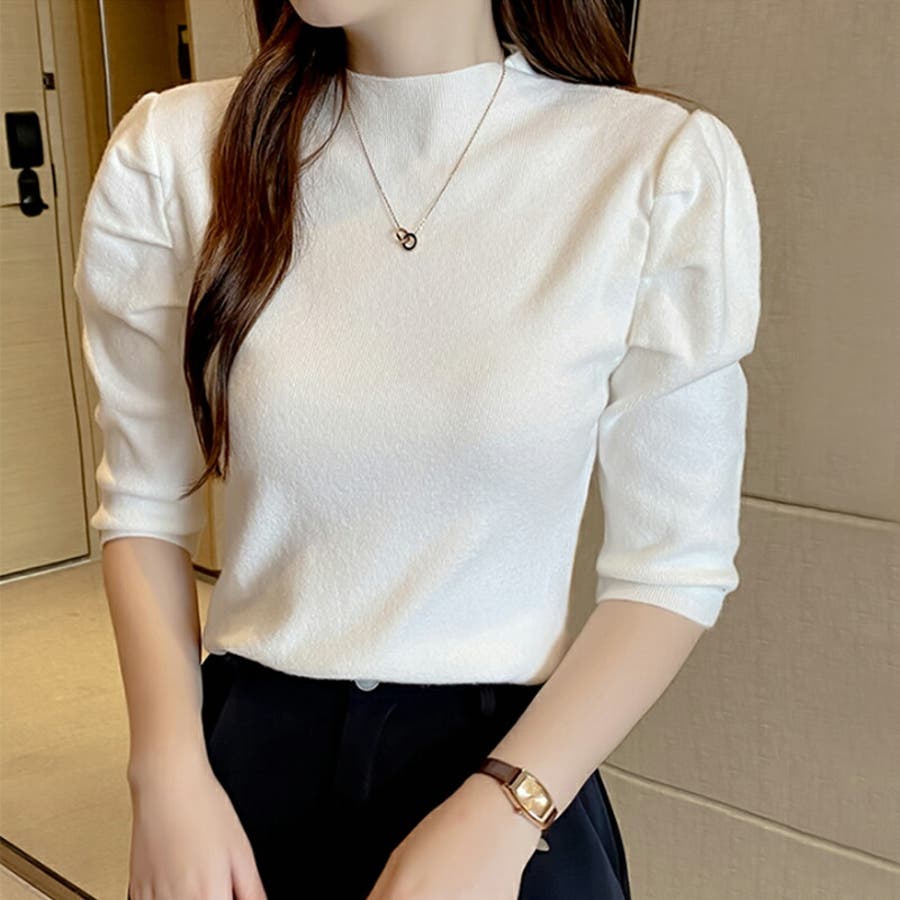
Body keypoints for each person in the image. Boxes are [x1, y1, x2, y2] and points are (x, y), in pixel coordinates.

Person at [73, 1, 761, 898]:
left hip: (513, 780)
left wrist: (509, 804)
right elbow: (142, 505)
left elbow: (672, 567)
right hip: (245, 774)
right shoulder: (174, 154)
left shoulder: (654, 166)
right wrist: (165, 771)